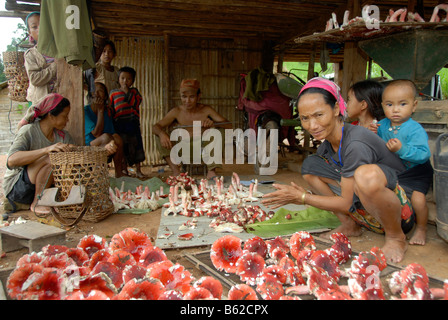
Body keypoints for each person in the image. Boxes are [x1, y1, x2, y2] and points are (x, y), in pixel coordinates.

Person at [262, 77, 416, 263]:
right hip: (370, 214)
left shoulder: (356, 142)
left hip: (401, 211)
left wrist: (302, 198)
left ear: (336, 109)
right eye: (305, 118)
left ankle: (396, 237)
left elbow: (346, 201)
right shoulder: (328, 144)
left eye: (319, 115)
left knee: (365, 176)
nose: (312, 126)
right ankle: (349, 224)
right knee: (311, 165)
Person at [377, 79, 433, 246]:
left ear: (414, 106)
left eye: (402, 104)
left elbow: (423, 154)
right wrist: (372, 132)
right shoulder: (382, 125)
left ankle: (422, 228)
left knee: (418, 200)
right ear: (382, 106)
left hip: (417, 171)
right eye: (389, 104)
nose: (395, 109)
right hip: (396, 170)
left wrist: (402, 149)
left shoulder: (415, 129)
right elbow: (377, 145)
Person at [3, 94, 75, 218]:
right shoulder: (28, 131)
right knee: (51, 157)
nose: (67, 120)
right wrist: (46, 150)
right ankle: (37, 202)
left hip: (40, 186)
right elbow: (11, 161)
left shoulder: (63, 136)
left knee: (58, 157)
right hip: (17, 189)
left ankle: (44, 199)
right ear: (51, 116)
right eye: (65, 116)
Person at [152, 79, 232, 179]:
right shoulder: (177, 111)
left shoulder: (206, 110)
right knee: (158, 135)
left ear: (199, 96)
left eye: (192, 97)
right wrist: (161, 134)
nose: (187, 101)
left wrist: (213, 123)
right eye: (184, 97)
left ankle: (211, 171)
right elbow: (155, 127)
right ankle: (176, 172)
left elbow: (229, 125)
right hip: (183, 150)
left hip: (203, 150)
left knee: (220, 132)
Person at [109, 67, 146, 178]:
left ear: (132, 81)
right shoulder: (113, 93)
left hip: (132, 123)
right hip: (119, 124)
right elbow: (111, 109)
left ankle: (138, 170)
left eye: (128, 79)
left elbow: (136, 103)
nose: (125, 81)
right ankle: (124, 170)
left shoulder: (134, 92)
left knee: (136, 146)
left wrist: (127, 93)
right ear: (118, 79)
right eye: (122, 78)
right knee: (123, 147)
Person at [85, 82, 125, 178]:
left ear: (106, 96)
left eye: (101, 91)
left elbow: (112, 134)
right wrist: (100, 111)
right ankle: (98, 174)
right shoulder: (85, 111)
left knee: (117, 137)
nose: (97, 93)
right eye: (94, 90)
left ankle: (118, 173)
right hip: (88, 147)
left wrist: (102, 111)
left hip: (105, 145)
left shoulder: (107, 111)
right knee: (106, 137)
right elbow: (96, 133)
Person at [24, 12, 57, 106]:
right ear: (30, 32)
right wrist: (56, 66)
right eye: (34, 27)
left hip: (60, 101)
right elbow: (35, 79)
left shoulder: (60, 51)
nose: (40, 29)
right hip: (39, 103)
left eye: (42, 24)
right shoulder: (31, 54)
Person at [84, 40, 120, 104]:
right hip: (97, 103)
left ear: (114, 54)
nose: (107, 54)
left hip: (112, 105)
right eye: (103, 51)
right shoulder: (97, 68)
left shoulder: (117, 70)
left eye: (110, 51)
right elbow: (84, 82)